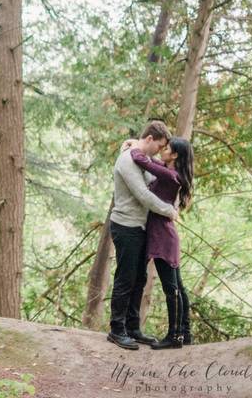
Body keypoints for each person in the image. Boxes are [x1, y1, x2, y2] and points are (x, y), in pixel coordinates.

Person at [107, 120, 179, 350]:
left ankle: (133, 327)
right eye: (159, 146)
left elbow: (156, 178)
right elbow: (143, 195)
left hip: (140, 227)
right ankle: (117, 330)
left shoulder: (140, 158)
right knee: (125, 278)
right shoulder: (127, 160)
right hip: (126, 226)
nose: (159, 152)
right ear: (149, 139)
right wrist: (169, 211)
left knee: (139, 278)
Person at [126, 137, 194, 349]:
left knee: (171, 288)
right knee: (177, 287)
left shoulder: (170, 176)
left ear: (174, 156)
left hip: (164, 238)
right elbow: (152, 160)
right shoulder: (170, 172)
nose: (163, 150)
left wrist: (135, 146)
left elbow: (142, 160)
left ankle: (174, 337)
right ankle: (183, 334)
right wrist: (139, 145)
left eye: (167, 149)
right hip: (163, 236)